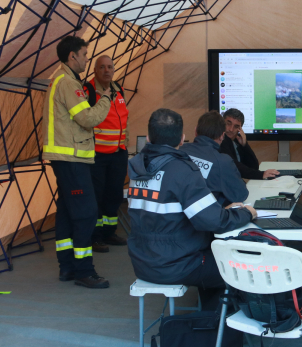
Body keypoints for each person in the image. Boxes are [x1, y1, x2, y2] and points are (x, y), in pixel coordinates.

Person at [127, 108, 256, 308]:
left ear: (147, 137)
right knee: (237, 265)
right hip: (177, 264)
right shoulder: (182, 171)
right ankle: (215, 329)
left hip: (141, 262)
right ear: (182, 138)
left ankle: (209, 323)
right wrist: (245, 213)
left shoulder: (136, 168)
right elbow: (215, 221)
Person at [42, 36, 113, 288]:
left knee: (66, 213)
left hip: (66, 158)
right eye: (84, 54)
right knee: (85, 213)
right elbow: (87, 118)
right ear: (72, 56)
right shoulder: (68, 83)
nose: (86, 59)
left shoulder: (60, 80)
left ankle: (67, 268)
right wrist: (106, 97)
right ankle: (84, 271)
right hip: (71, 158)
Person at [83, 55, 129, 253]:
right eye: (102, 67)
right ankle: (95, 236)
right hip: (98, 154)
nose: (107, 70)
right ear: (95, 70)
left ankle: (109, 232)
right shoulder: (88, 90)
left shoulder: (118, 89)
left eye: (110, 67)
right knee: (96, 197)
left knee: (114, 194)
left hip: (118, 152)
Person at [180, 111, 249, 206]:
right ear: (222, 136)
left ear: (195, 131)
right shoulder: (223, 161)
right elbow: (240, 194)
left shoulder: (179, 151)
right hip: (206, 216)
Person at [219, 108, 280, 180]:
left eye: (236, 126)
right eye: (228, 124)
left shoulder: (236, 141)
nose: (231, 129)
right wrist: (261, 175)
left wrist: (245, 145)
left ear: (240, 129)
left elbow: (254, 166)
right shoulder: (220, 141)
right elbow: (234, 166)